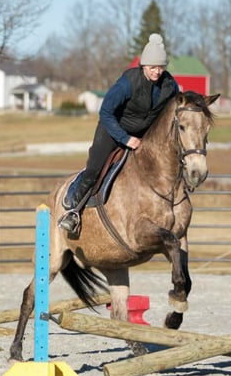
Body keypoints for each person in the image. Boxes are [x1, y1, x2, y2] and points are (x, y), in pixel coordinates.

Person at [58, 33, 179, 233]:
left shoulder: (169, 85)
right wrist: (125, 138)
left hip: (143, 136)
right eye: (152, 67)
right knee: (95, 169)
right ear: (143, 66)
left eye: (160, 67)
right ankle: (72, 211)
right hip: (113, 130)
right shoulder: (127, 82)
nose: (157, 72)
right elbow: (105, 112)